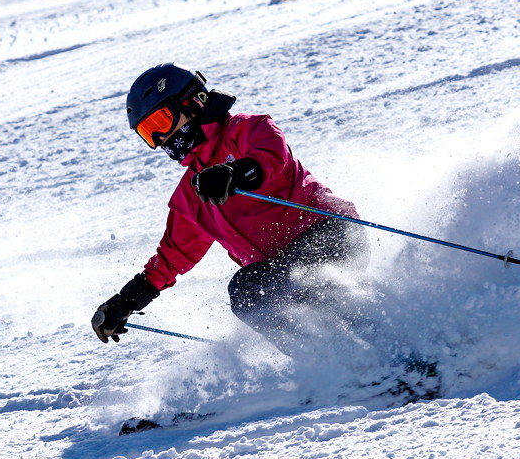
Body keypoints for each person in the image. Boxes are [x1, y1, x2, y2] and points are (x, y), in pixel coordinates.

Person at [91, 63, 368, 356]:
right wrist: (126, 302)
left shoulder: (247, 129)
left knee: (293, 288)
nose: (161, 139)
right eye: (149, 133)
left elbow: (271, 156)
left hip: (329, 234)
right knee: (250, 293)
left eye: (161, 122)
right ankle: (332, 365)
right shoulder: (193, 191)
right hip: (282, 268)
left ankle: (381, 346)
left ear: (192, 102)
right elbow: (173, 255)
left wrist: (236, 173)